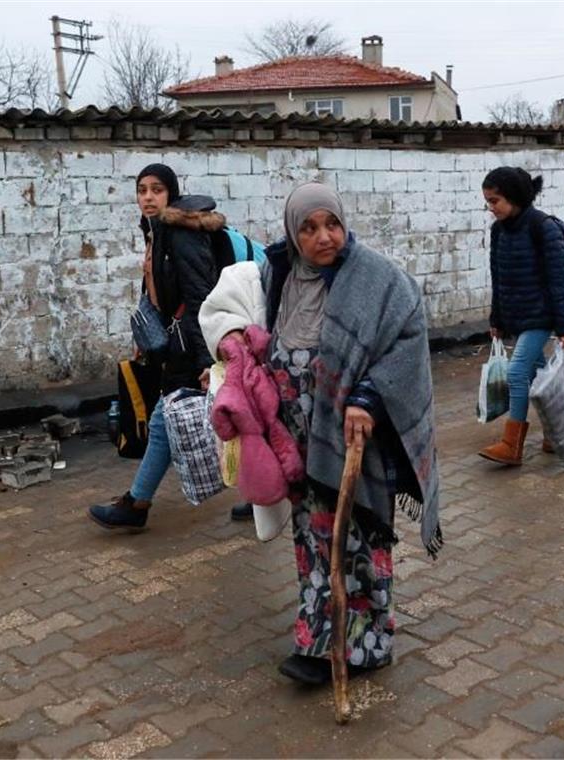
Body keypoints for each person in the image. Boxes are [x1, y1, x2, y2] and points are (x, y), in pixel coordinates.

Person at [200, 182, 442, 685]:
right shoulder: (277, 276)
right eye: (309, 228)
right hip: (299, 443)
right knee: (313, 541)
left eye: (331, 223)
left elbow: (408, 340)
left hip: (355, 437)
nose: (324, 237)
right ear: (293, 232)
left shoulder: (378, 279)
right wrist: (228, 365)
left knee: (357, 535)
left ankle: (368, 643)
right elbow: (242, 327)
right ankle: (317, 643)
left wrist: (369, 400)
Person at [88, 164, 249, 530]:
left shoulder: (180, 234)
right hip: (178, 344)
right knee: (181, 417)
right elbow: (157, 292)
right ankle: (260, 496)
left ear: (171, 194)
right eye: (142, 189)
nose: (148, 197)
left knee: (166, 417)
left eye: (156, 190)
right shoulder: (155, 232)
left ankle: (137, 503)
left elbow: (200, 296)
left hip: (197, 343)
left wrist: (209, 359)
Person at [478, 166, 564, 466]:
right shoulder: (498, 231)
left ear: (514, 197)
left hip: (541, 315)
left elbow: (560, 278)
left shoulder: (542, 227)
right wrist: (497, 318)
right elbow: (498, 277)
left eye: (495, 201)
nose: (491, 208)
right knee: (538, 375)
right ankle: (555, 432)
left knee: (517, 373)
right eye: (488, 202)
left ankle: (512, 445)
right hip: (517, 316)